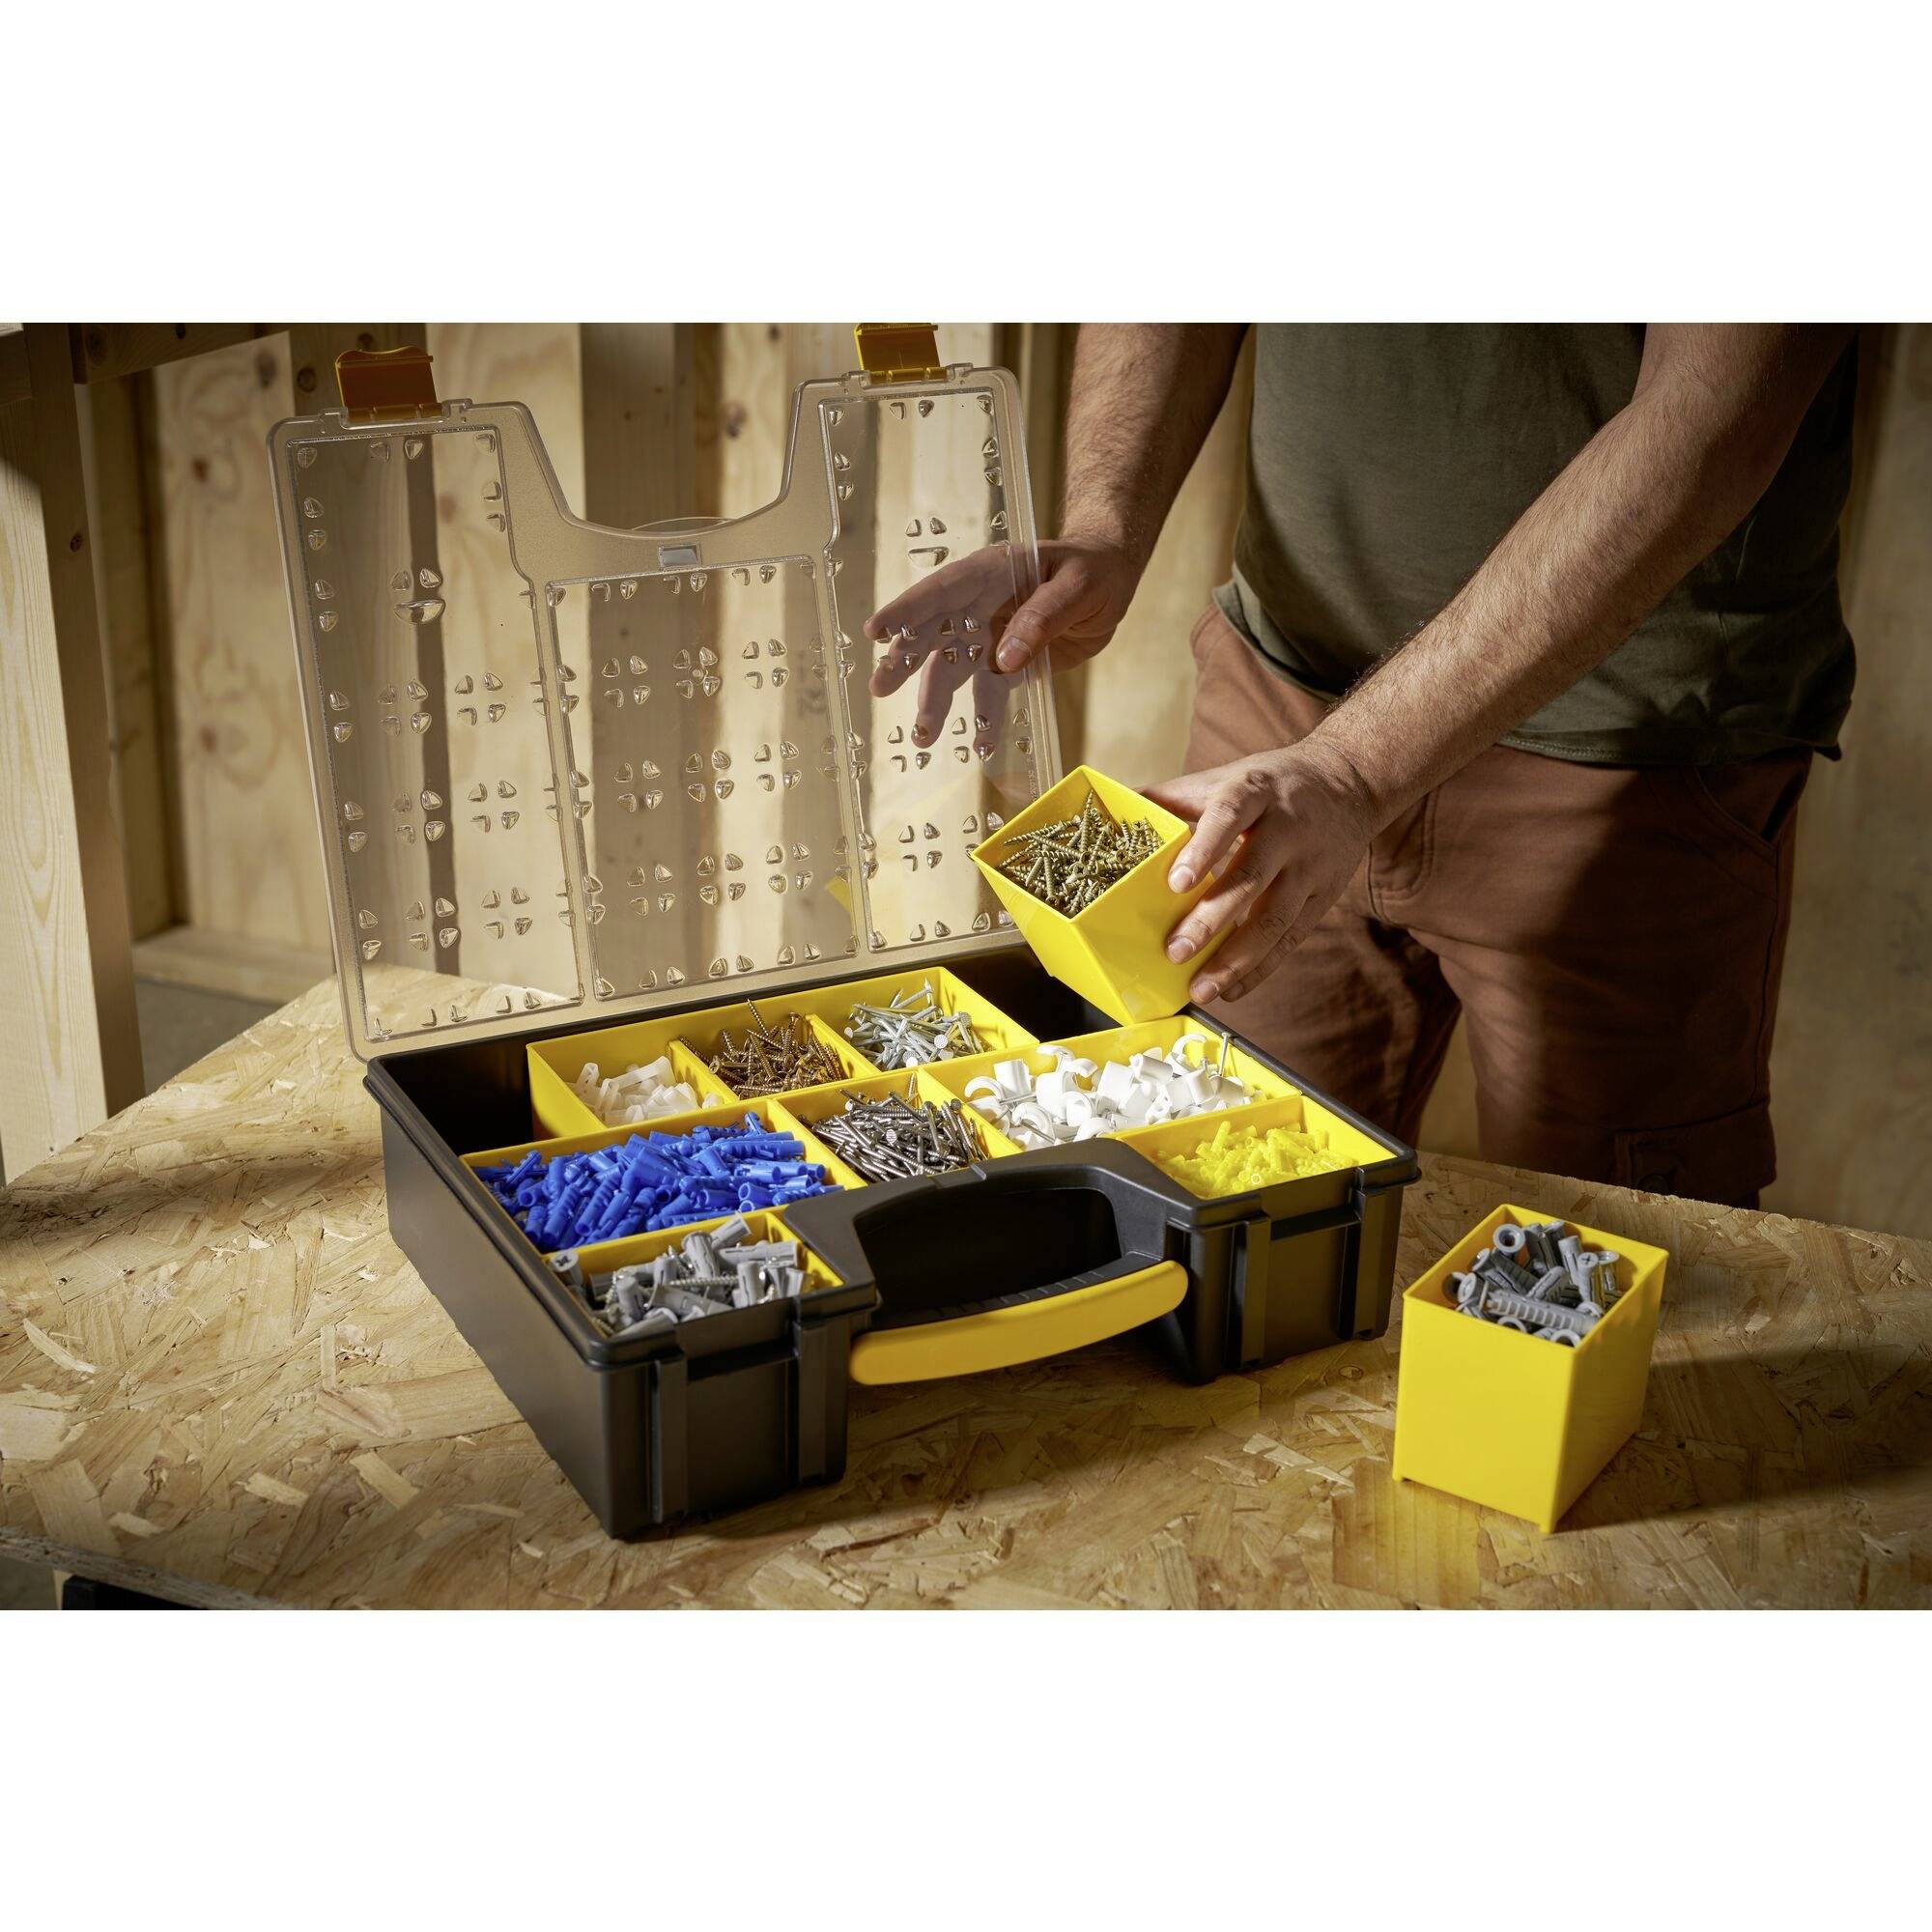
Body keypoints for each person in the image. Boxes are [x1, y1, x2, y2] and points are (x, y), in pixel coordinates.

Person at [868, 325, 1858, 1207]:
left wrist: (1349, 769)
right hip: (1278, 719)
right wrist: (1104, 524)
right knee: (1226, 1192)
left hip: (1622, 755)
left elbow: (1712, 413)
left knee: (1604, 1263)